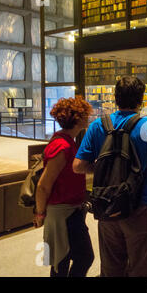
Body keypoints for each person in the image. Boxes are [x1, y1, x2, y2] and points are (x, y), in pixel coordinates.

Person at [73, 76, 147, 277]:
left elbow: (78, 166)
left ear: (116, 98)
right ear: (140, 100)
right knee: (144, 267)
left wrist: (101, 169)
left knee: (111, 268)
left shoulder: (98, 126)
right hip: (142, 206)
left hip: (107, 206)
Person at [34, 96, 94, 277]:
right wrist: (40, 213)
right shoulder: (62, 146)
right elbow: (44, 185)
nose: (88, 118)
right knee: (79, 258)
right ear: (77, 118)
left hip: (69, 210)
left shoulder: (67, 141)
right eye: (86, 115)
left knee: (64, 260)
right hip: (63, 213)